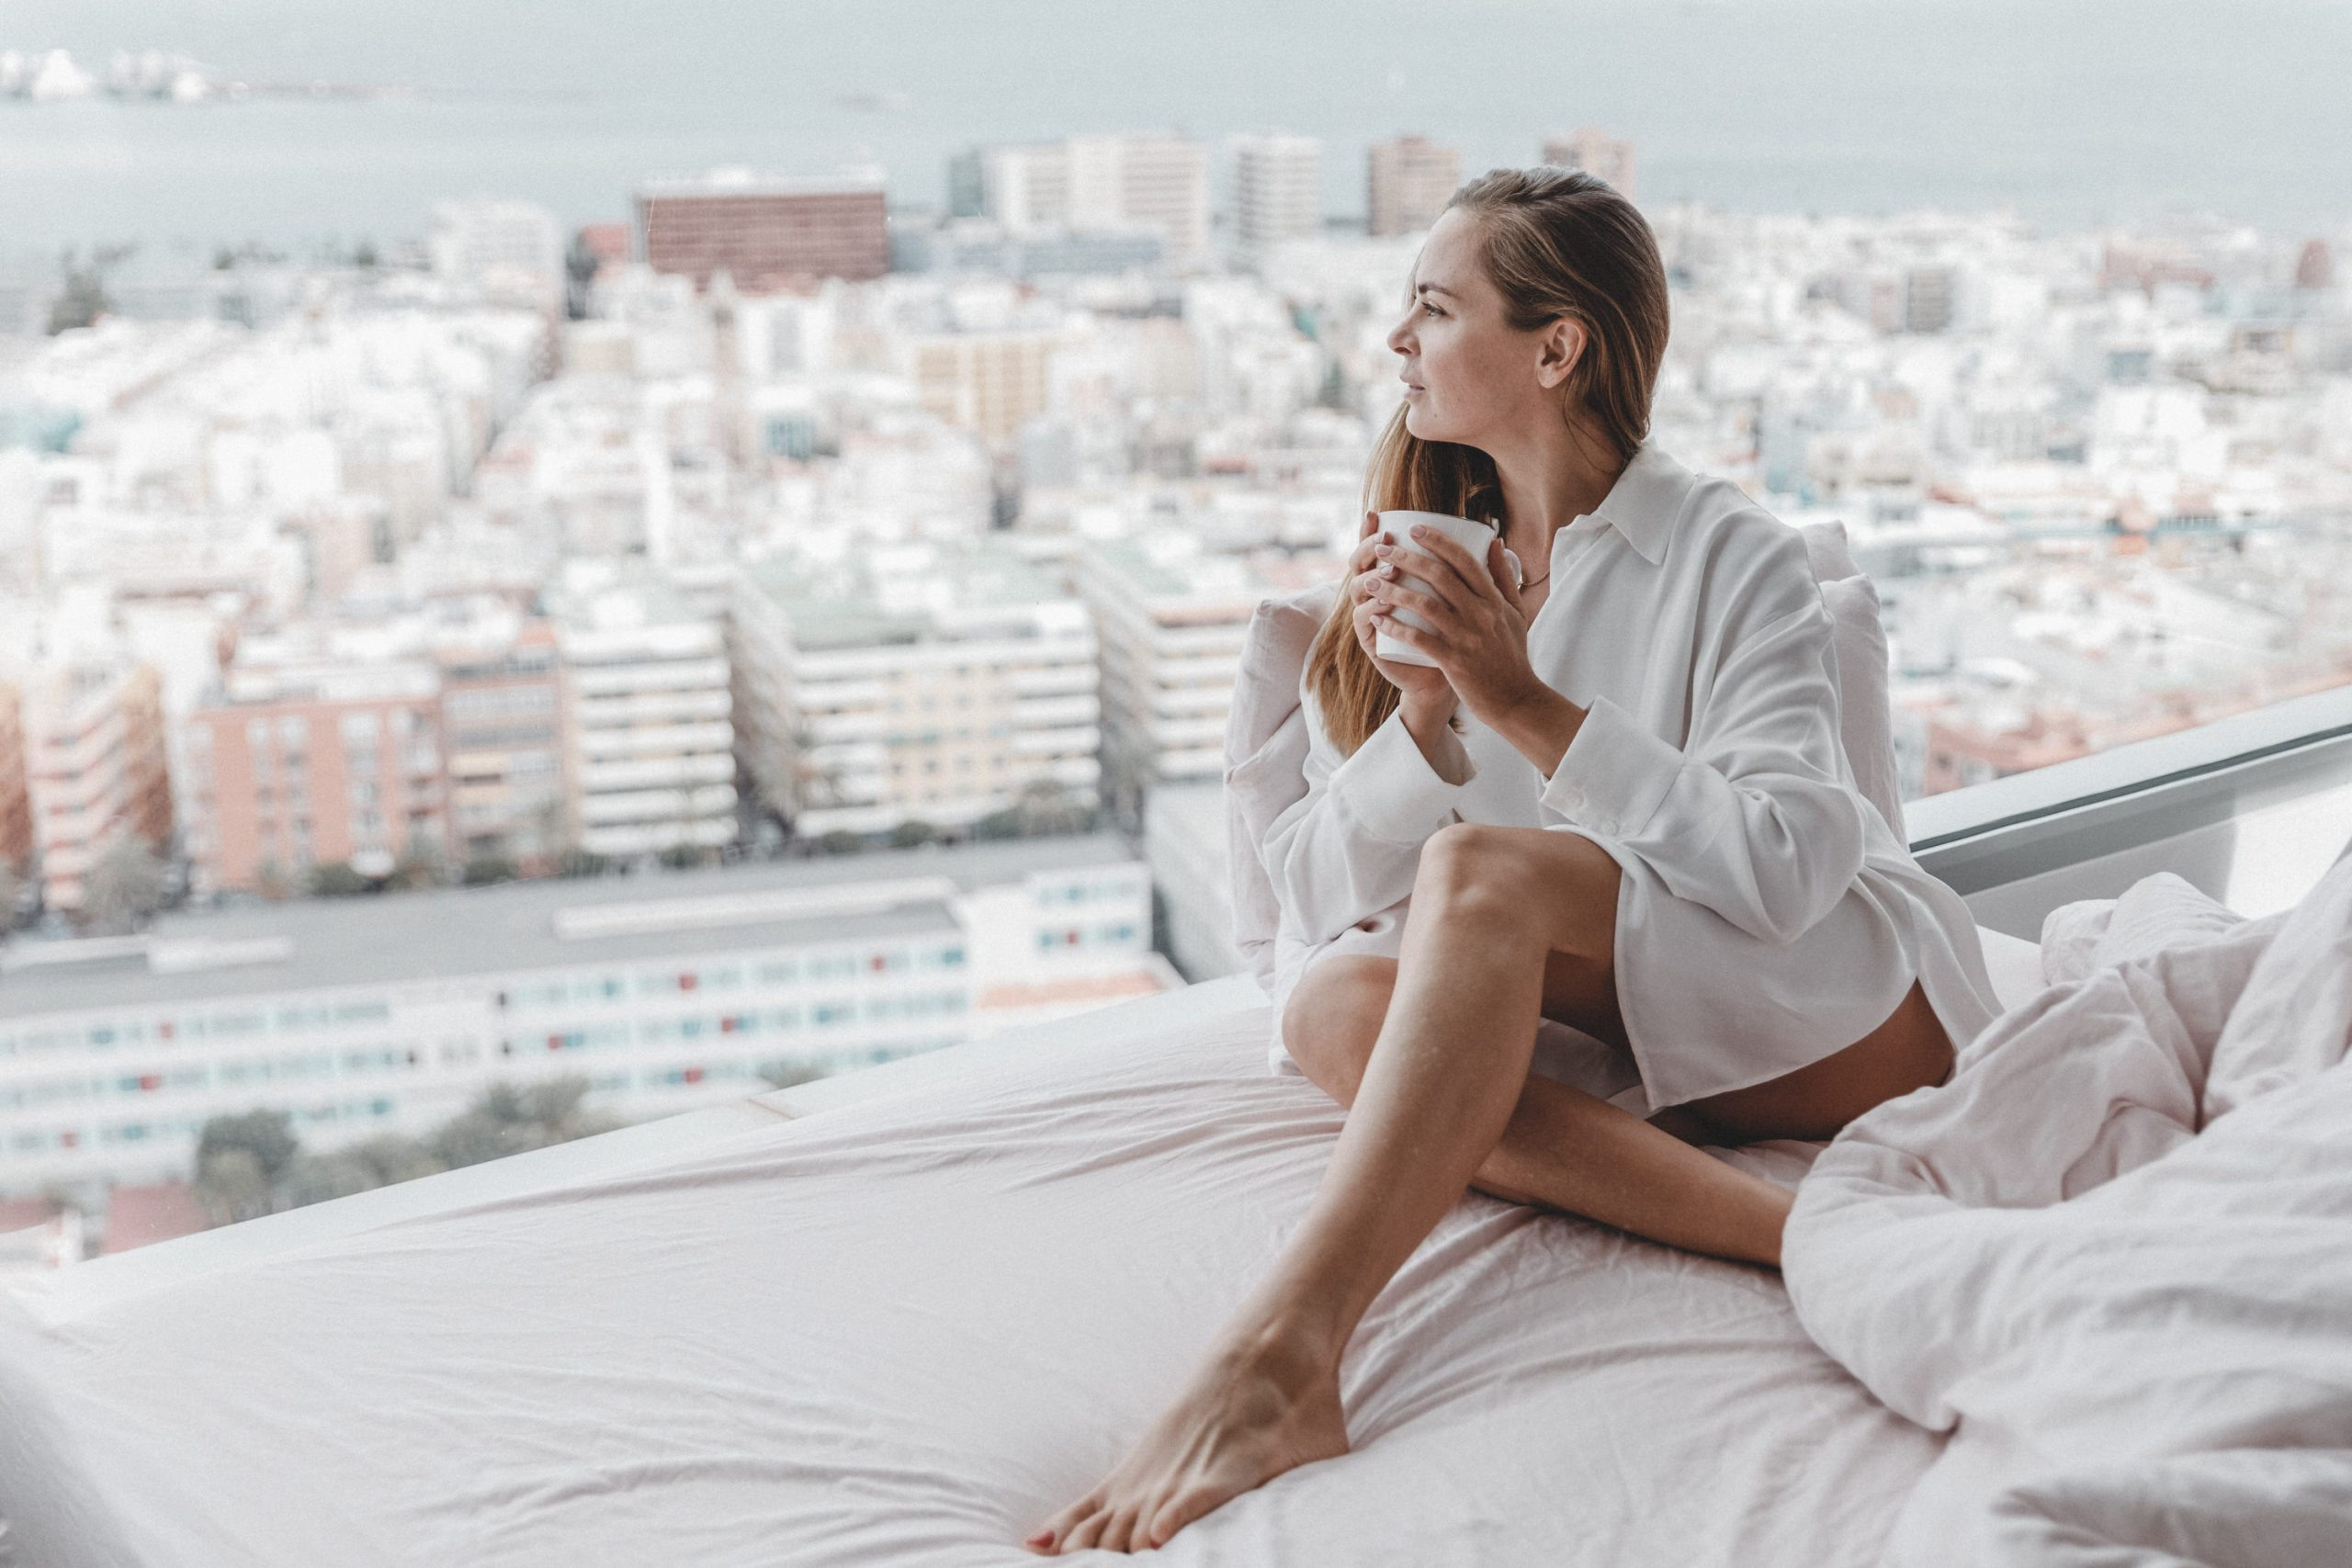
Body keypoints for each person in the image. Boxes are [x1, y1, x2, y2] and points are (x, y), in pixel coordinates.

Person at [1023, 165, 2005, 1557]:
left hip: (1844, 1006)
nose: (1395, 345)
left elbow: (1788, 871)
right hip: (1644, 1020)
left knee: (1485, 874)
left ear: (1555, 348)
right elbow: (1309, 910)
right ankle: (1792, 1237)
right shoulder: (1432, 554)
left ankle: (1284, 1356)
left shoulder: (1734, 559)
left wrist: (1523, 704)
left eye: (1431, 309)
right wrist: (1418, 718)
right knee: (1330, 1008)